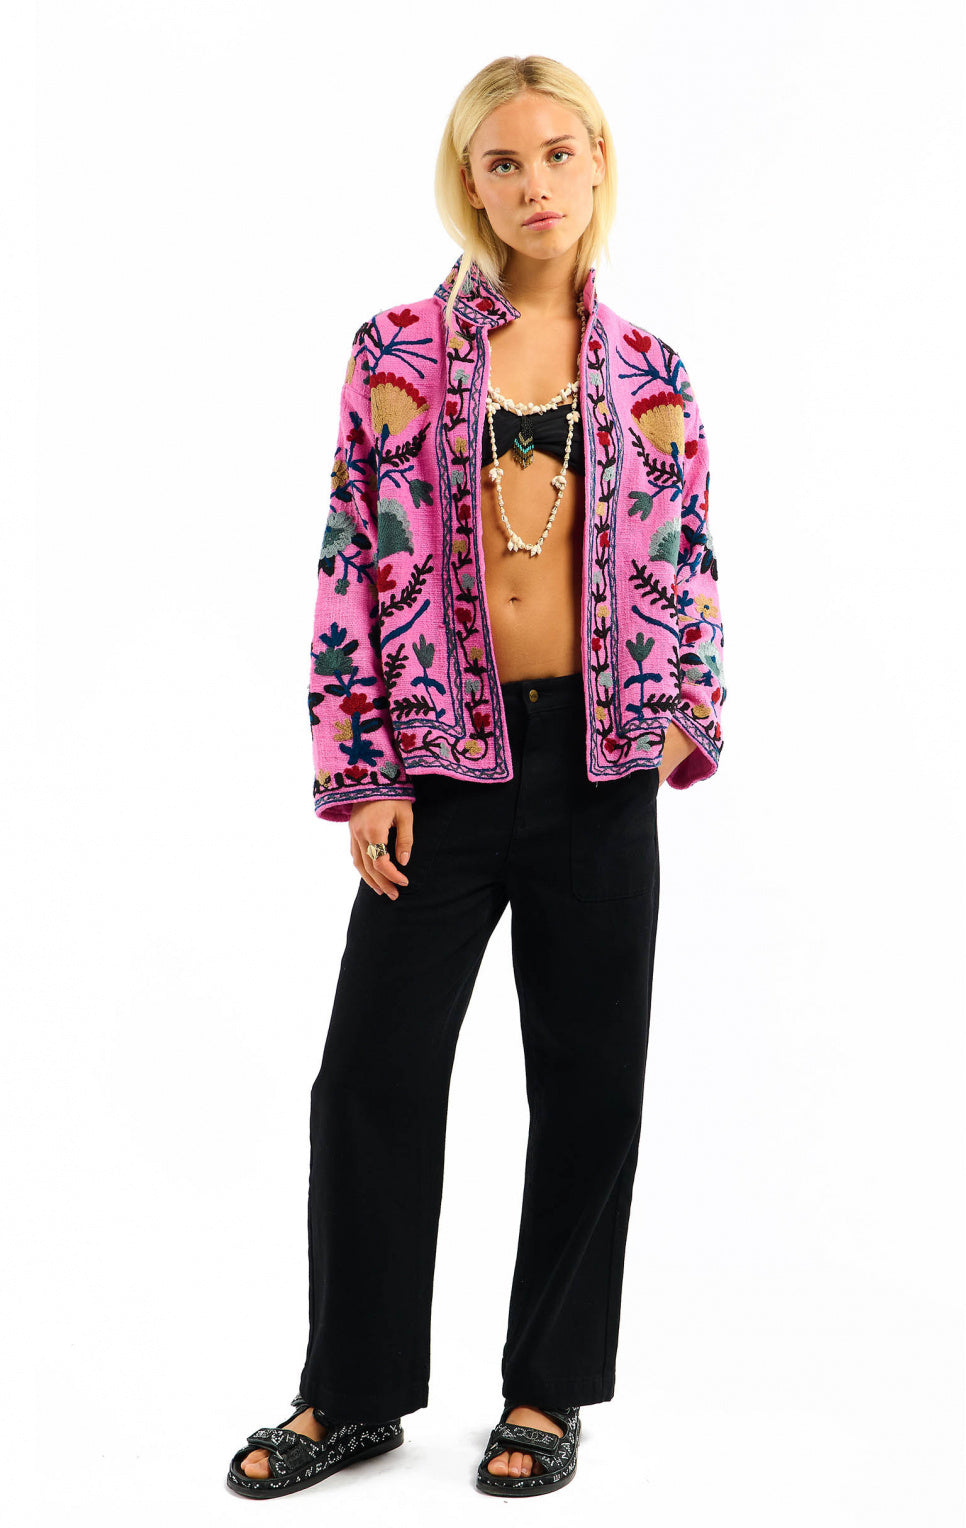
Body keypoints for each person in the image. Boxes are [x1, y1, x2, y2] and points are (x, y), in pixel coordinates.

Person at [226, 52, 725, 1502]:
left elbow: (691, 553)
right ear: (471, 182)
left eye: (559, 153)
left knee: (591, 1083)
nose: (535, 184)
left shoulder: (650, 372)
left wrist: (689, 705)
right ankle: (353, 1393)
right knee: (371, 1077)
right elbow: (348, 555)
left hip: (601, 765)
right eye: (503, 161)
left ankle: (546, 1391)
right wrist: (361, 767)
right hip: (438, 765)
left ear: (597, 162)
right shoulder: (394, 353)